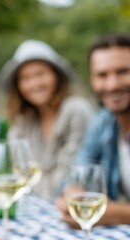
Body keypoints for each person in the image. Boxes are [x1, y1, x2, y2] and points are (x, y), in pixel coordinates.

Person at [0, 39, 93, 201]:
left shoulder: (76, 110)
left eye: (40, 74)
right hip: (39, 208)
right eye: (25, 78)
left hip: (74, 208)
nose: (34, 84)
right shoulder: (23, 119)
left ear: (56, 75)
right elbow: (14, 166)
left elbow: (71, 176)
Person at [56, 33, 130, 227]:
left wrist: (115, 213)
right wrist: (72, 194)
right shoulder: (103, 121)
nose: (112, 85)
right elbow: (77, 172)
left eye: (123, 72)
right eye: (102, 75)